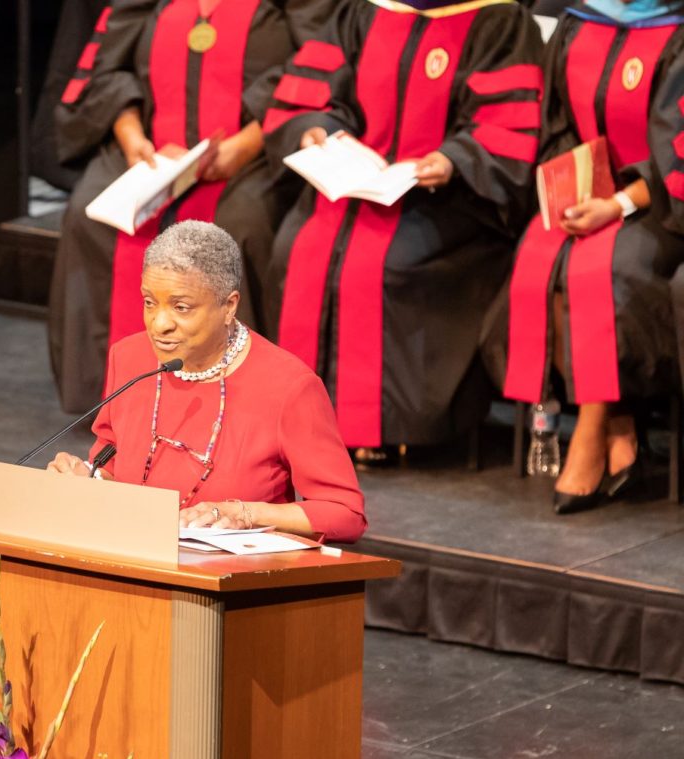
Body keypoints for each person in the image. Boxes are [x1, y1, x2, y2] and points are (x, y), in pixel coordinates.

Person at [259, 0, 544, 465]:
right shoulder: (363, 10)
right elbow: (317, 94)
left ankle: (383, 427)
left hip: (448, 200)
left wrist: (454, 158)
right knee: (298, 246)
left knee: (394, 262)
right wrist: (317, 128)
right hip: (355, 183)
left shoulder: (498, 19)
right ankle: (301, 423)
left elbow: (508, 124)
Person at [48, 0, 336, 413]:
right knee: (89, 215)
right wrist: (131, 137)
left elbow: (316, 64)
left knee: (240, 225)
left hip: (252, 152)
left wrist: (248, 143)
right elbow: (107, 68)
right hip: (151, 149)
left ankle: (240, 404)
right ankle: (115, 401)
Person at [47, 220, 367, 543]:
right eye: (149, 302)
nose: (159, 324)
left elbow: (345, 512)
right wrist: (87, 479)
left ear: (229, 306)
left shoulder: (289, 387)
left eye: (181, 307)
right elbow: (110, 465)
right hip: (135, 560)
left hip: (231, 578)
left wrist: (244, 514)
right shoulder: (129, 358)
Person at [486, 0, 684, 513]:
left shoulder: (676, 32)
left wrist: (618, 203)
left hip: (660, 210)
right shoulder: (581, 21)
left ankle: (592, 430)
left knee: (611, 267)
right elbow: (556, 124)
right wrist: (572, 192)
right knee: (541, 253)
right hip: (592, 198)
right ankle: (621, 429)